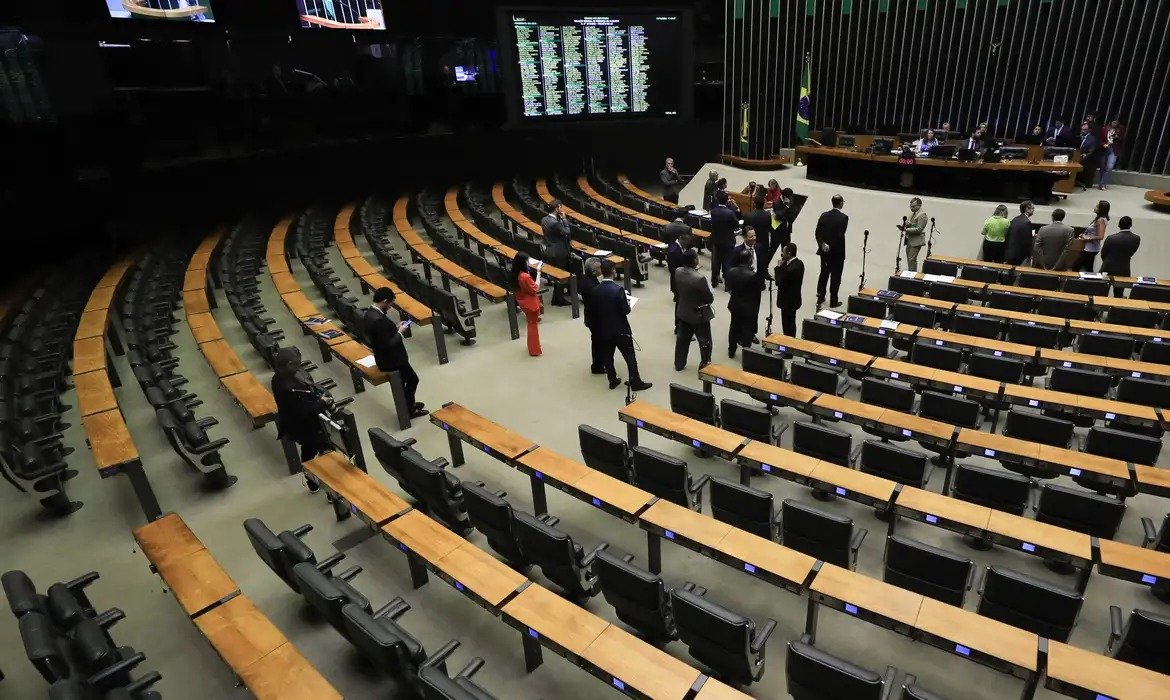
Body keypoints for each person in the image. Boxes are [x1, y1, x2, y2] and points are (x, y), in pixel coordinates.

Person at [271, 347, 333, 493]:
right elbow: (306, 411)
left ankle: (311, 481)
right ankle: (331, 491)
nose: (299, 367)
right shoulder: (289, 388)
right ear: (289, 364)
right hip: (307, 427)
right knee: (327, 453)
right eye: (297, 364)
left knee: (308, 451)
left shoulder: (277, 377)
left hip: (294, 424)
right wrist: (322, 402)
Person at [364, 287, 427, 418]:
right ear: (385, 301)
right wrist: (400, 332)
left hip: (385, 358)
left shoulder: (370, 313)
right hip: (393, 360)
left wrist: (395, 328)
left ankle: (408, 405)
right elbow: (389, 344)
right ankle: (409, 410)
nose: (390, 307)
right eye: (390, 304)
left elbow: (381, 335)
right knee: (412, 379)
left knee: (404, 382)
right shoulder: (378, 320)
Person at [590, 259, 652, 391]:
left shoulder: (595, 291)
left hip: (604, 330)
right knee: (630, 357)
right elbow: (626, 310)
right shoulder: (618, 290)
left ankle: (612, 380)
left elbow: (593, 312)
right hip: (620, 329)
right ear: (613, 272)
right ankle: (635, 382)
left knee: (608, 356)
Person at [673, 249, 714, 370]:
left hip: (683, 311)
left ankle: (679, 364)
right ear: (694, 260)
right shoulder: (700, 278)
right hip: (698, 315)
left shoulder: (677, 271)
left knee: (682, 341)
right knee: (705, 341)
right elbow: (709, 298)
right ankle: (705, 364)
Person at [725, 247, 766, 358]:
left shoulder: (731, 271)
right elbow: (762, 287)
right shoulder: (753, 275)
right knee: (747, 329)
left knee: (733, 327)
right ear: (749, 260)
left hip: (735, 304)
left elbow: (729, 286)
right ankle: (746, 354)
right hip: (749, 306)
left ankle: (731, 350)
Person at [814, 194, 848, 309]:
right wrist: (831, 246)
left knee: (823, 274)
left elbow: (817, 233)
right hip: (837, 253)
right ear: (841, 203)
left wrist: (822, 244)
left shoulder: (823, 215)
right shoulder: (844, 218)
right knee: (836, 276)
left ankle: (820, 297)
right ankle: (833, 301)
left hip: (824, 252)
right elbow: (839, 236)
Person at [540, 200, 571, 305]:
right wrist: (564, 219)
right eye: (561, 207)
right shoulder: (556, 223)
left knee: (557, 276)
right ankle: (559, 300)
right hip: (559, 251)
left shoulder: (544, 219)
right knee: (560, 276)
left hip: (550, 250)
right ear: (557, 208)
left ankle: (556, 298)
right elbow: (567, 231)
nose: (562, 209)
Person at [512, 252, 543, 357]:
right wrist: (538, 273)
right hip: (531, 304)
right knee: (533, 326)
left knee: (531, 324)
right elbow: (535, 288)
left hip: (524, 302)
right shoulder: (525, 277)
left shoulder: (516, 273)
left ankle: (532, 346)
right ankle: (534, 349)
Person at [578, 257, 605, 373]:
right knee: (599, 342)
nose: (601, 269)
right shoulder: (590, 286)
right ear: (594, 271)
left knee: (597, 341)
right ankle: (597, 366)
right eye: (599, 268)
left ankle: (599, 363)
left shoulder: (586, 278)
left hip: (591, 316)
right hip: (595, 318)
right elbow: (599, 300)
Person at [1100, 216, 1140, 295]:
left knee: (1102, 293)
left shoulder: (1111, 238)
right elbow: (1132, 252)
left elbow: (1103, 253)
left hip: (1107, 268)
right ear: (1131, 225)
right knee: (1119, 294)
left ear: (1119, 225)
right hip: (1123, 269)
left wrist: (1107, 261)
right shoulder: (1136, 238)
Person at [774, 243, 804, 337]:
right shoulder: (799, 263)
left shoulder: (790, 270)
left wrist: (778, 267)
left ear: (789, 253)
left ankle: (788, 341)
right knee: (791, 322)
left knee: (787, 324)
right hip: (794, 299)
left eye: (783, 252)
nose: (782, 254)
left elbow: (778, 281)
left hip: (787, 302)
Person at [708, 191, 738, 287]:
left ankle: (714, 281)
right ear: (726, 200)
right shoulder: (730, 213)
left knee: (715, 262)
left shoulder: (713, 211)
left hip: (716, 240)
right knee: (727, 262)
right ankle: (727, 284)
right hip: (728, 240)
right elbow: (736, 224)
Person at [743, 191, 773, 269]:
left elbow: (744, 230)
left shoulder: (748, 215)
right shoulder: (768, 215)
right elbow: (769, 227)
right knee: (762, 262)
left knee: (750, 261)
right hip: (763, 242)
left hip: (751, 241)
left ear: (754, 204)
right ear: (763, 204)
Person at [665, 222, 692, 303]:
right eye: (687, 241)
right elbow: (672, 269)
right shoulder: (674, 250)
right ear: (681, 239)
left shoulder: (681, 246)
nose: (688, 243)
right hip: (677, 276)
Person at [898, 197, 928, 271]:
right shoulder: (912, 214)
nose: (911, 208)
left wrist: (906, 229)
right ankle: (910, 272)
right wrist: (907, 224)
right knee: (909, 258)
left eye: (913, 206)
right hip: (910, 239)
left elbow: (919, 229)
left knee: (912, 259)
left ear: (919, 205)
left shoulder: (922, 215)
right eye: (910, 206)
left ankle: (912, 274)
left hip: (916, 240)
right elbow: (912, 224)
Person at [1079, 200, 1110, 272]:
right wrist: (1084, 235)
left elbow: (1101, 236)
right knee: (1087, 267)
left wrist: (1087, 237)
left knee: (1086, 268)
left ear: (1101, 209)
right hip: (1089, 247)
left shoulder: (1101, 220)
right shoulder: (1099, 219)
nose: (1095, 207)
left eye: (1097, 206)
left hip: (1091, 248)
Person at [1004, 200, 1035, 265]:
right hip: (1019, 255)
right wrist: (1030, 255)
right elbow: (1027, 241)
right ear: (1027, 209)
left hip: (1010, 252)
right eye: (1032, 208)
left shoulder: (1015, 219)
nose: (1033, 210)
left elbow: (1008, 235)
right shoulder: (1027, 222)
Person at [1097, 118, 1125, 190]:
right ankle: (1101, 183)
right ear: (1111, 122)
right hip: (1104, 149)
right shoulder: (1104, 129)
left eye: (1116, 123)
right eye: (1114, 122)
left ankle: (1103, 184)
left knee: (1109, 167)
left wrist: (1117, 137)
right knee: (1102, 167)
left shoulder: (1120, 129)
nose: (1115, 124)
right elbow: (1100, 139)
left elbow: (1122, 139)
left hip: (1114, 149)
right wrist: (1103, 144)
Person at [1076, 121, 1100, 189]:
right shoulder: (1079, 137)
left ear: (1089, 130)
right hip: (1078, 158)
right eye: (1082, 129)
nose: (1083, 131)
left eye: (1085, 130)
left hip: (1088, 161)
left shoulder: (1092, 139)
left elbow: (1091, 151)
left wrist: (1083, 158)